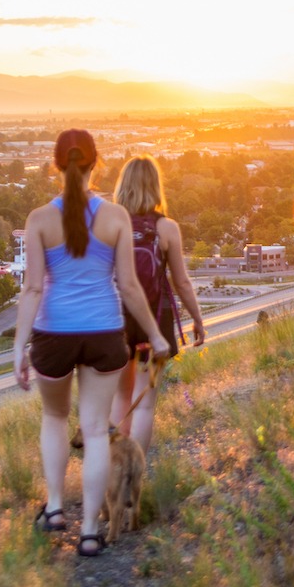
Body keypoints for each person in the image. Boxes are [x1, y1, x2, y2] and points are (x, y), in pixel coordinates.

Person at [13, 129, 171, 557]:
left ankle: (57, 509)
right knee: (98, 430)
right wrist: (155, 336)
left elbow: (31, 291)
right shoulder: (116, 216)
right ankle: (88, 533)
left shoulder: (39, 220)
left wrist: (18, 349)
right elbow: (130, 287)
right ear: (96, 164)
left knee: (54, 417)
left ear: (56, 165)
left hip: (53, 334)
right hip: (103, 332)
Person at [110, 155, 206, 456]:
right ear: (155, 186)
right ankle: (133, 475)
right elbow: (181, 282)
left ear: (123, 185)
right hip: (157, 320)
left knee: (120, 399)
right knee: (145, 402)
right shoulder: (167, 228)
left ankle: (114, 468)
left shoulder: (109, 224)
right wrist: (197, 319)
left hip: (116, 319)